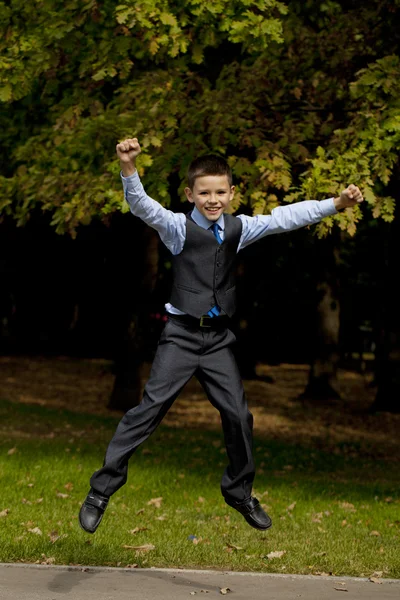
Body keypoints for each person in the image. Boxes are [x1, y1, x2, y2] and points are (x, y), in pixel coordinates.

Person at [79, 138, 363, 534]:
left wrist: (336, 204)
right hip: (180, 336)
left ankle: (238, 491)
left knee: (238, 415)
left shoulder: (238, 228)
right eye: (204, 193)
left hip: (217, 341)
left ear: (231, 193)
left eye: (219, 192)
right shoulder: (177, 227)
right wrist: (128, 168)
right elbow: (142, 206)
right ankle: (101, 489)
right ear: (191, 194)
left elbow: (285, 218)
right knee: (147, 411)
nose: (212, 200)